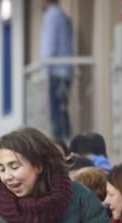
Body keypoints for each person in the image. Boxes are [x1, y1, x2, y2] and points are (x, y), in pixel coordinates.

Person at [41, 0, 74, 141]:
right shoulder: (63, 15)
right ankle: (64, 140)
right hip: (65, 71)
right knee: (62, 109)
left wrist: (44, 67)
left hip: (56, 71)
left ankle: (60, 143)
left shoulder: (51, 15)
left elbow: (49, 44)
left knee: (57, 112)